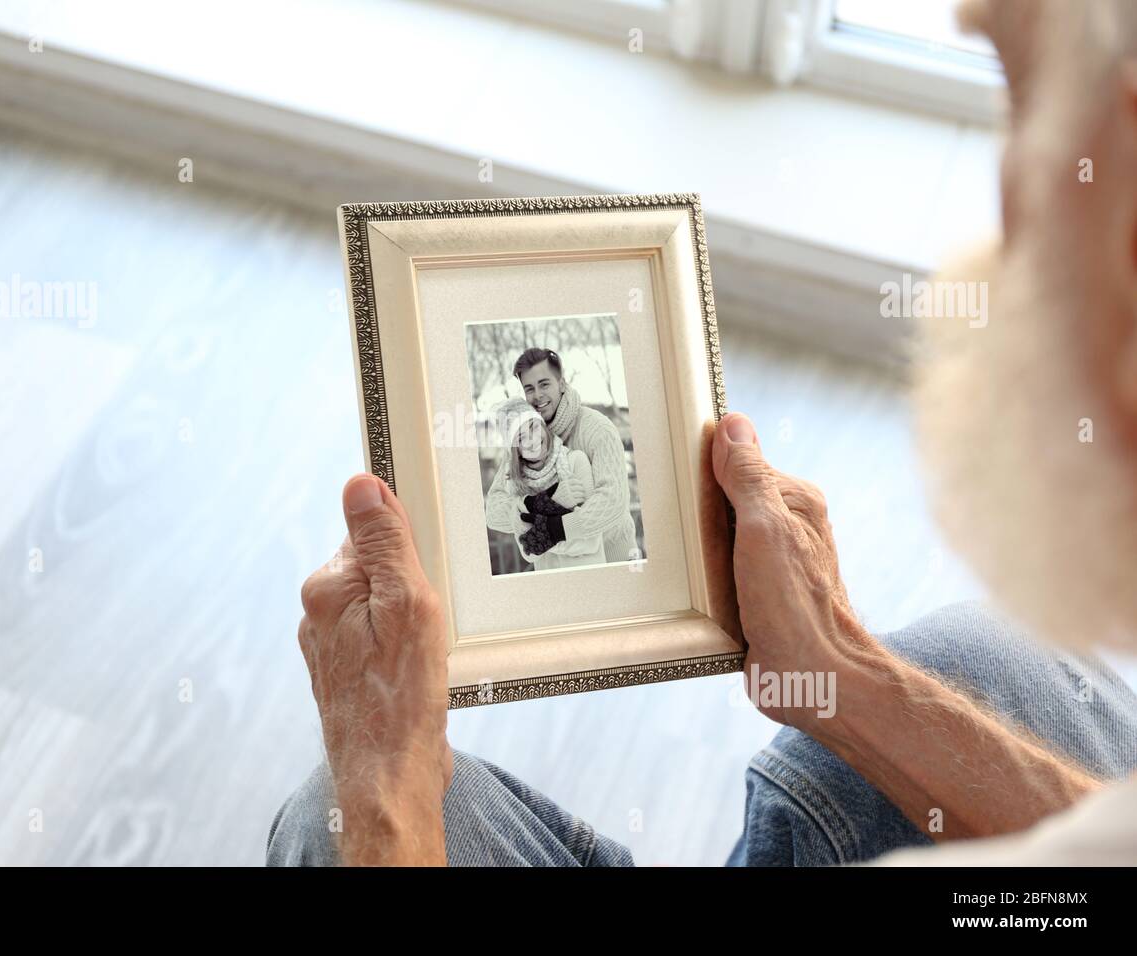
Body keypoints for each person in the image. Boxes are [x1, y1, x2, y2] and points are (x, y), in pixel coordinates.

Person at [267, 0, 1137, 866]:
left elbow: (601, 507)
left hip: (575, 545)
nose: (1006, 213)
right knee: (993, 652)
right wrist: (835, 665)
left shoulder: (596, 438)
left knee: (329, 821)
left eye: (1023, 97)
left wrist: (386, 793)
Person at [484, 348, 638, 564]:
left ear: (562, 383)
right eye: (529, 388)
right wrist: (538, 503)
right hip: (554, 571)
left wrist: (553, 530)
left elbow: (612, 502)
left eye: (544, 384)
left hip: (612, 560)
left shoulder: (598, 429)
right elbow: (493, 510)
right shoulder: (526, 440)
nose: (537, 395)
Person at [490, 396, 606, 571]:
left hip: (589, 575)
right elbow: (529, 553)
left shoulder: (576, 461)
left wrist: (539, 535)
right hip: (549, 585)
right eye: (521, 438)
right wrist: (550, 500)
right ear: (516, 451)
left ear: (543, 425)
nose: (532, 440)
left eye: (534, 427)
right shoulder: (517, 487)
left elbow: (590, 539)